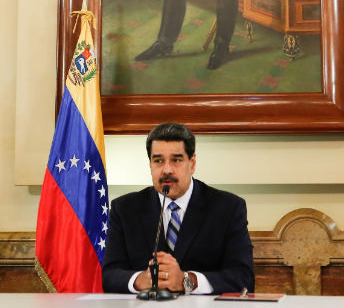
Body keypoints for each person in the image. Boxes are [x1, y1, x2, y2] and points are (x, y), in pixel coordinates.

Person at [102, 122, 254, 294]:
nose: (167, 170)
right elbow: (109, 275)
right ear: (150, 164)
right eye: (158, 161)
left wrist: (187, 281)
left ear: (192, 163)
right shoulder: (124, 209)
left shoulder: (228, 208)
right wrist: (139, 280)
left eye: (176, 160)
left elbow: (244, 278)